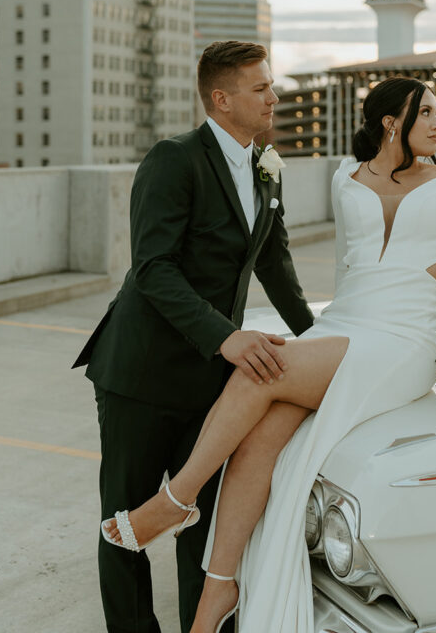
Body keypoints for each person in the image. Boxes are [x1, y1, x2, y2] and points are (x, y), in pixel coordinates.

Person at [100, 76, 436, 633]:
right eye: (426, 112)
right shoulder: (347, 179)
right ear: (390, 122)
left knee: (262, 368)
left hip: (406, 338)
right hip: (347, 322)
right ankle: (218, 594)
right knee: (258, 441)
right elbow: (340, 273)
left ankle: (176, 498)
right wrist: (317, 339)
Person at [72, 40, 314, 633]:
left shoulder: (265, 167)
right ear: (221, 97)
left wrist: (320, 341)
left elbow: (274, 267)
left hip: (209, 383)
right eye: (260, 89)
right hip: (140, 373)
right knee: (127, 524)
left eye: (271, 86)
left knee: (200, 523)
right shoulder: (172, 159)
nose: (273, 99)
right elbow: (152, 267)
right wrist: (225, 337)